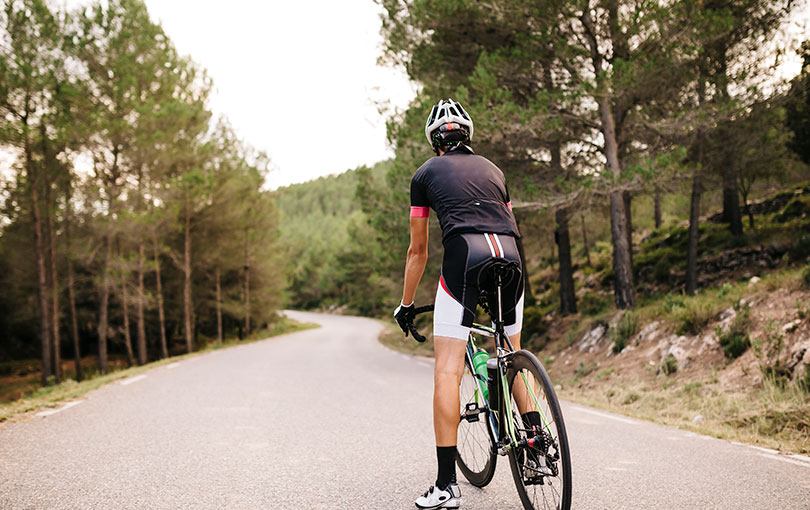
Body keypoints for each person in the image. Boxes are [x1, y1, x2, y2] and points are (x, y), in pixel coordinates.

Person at [393, 99, 526, 509]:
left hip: (464, 258)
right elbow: (508, 223)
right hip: (512, 258)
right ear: (467, 135)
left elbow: (418, 252)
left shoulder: (425, 174)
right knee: (514, 353)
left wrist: (406, 304)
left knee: (447, 369)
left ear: (435, 141)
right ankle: (537, 442)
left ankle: (446, 485)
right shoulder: (494, 171)